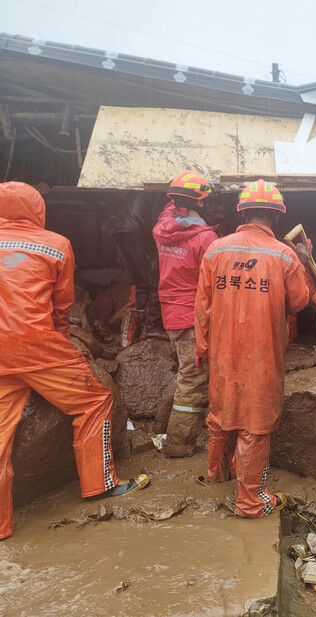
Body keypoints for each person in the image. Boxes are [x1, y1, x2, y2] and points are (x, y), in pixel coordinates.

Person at [0, 182, 148, 540]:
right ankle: (99, 484)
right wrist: (64, 344)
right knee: (96, 399)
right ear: (37, 209)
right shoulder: (55, 244)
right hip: (36, 345)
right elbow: (61, 307)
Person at [194, 179, 311, 518]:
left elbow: (203, 305)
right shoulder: (284, 255)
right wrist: (303, 261)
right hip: (262, 351)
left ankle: (216, 474)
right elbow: (300, 302)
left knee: (221, 412)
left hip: (220, 350)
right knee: (255, 424)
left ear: (242, 212)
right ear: (276, 217)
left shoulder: (216, 249)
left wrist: (201, 348)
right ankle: (250, 501)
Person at [152, 172, 219, 455]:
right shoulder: (206, 238)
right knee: (194, 379)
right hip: (193, 316)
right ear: (200, 203)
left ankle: (160, 426)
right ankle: (178, 443)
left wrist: (178, 196)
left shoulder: (163, 228)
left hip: (171, 313)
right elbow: (215, 284)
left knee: (186, 371)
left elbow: (171, 207)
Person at [112, 192, 166, 341]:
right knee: (154, 279)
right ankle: (153, 327)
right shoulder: (160, 192)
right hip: (139, 230)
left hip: (120, 229)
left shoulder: (137, 188)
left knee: (140, 282)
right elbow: (157, 220)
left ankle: (145, 325)